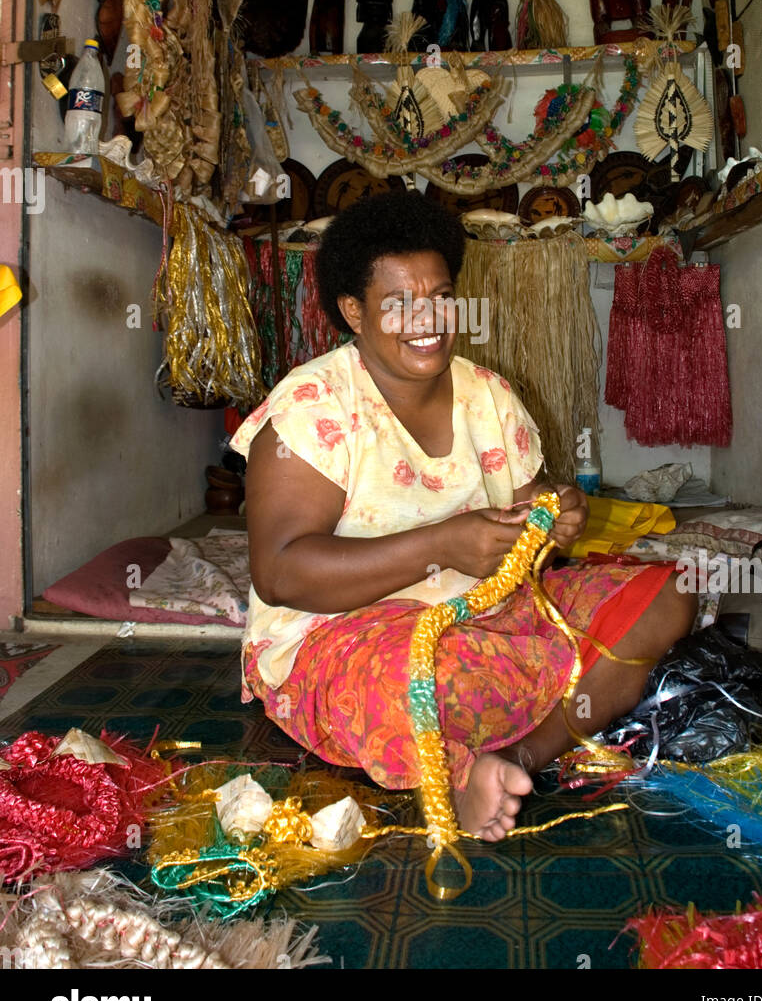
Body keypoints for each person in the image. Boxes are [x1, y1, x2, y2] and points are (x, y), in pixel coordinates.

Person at [231, 193, 695, 842]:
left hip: (481, 611)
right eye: (399, 303)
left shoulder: (489, 395)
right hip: (343, 633)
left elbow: (529, 529)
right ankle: (463, 771)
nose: (428, 319)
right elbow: (280, 573)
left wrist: (554, 519)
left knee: (666, 596)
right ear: (353, 312)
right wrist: (441, 546)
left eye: (441, 296)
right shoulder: (312, 409)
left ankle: (517, 758)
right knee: (410, 682)